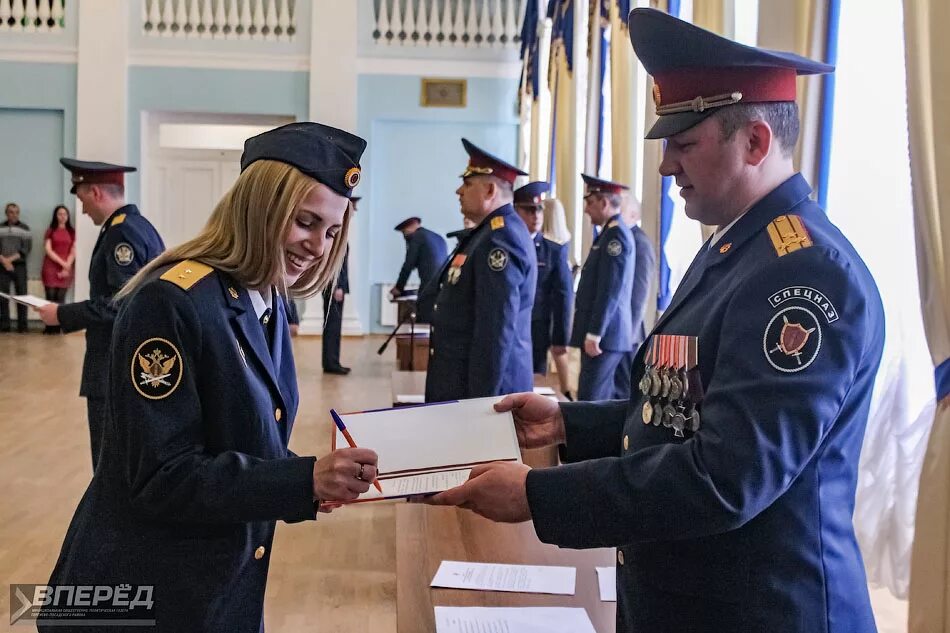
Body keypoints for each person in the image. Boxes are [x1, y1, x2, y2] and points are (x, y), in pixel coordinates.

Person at [427, 9, 884, 633]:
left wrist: (537, 497)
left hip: (759, 610)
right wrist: (569, 421)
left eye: (684, 143)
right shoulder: (737, 247)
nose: (665, 166)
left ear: (754, 141)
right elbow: (687, 413)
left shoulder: (801, 276)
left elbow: (726, 476)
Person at [40, 122, 378, 632]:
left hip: (214, 585)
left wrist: (308, 480)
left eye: (331, 232)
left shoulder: (265, 301)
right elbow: (161, 477)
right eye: (306, 222)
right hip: (142, 597)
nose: (318, 246)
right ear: (260, 207)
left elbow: (237, 437)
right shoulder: (173, 301)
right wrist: (301, 477)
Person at [36, 160, 164, 469]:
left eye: (81, 200)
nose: (81, 210)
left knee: (110, 465)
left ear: (95, 193)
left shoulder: (121, 234)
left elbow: (123, 302)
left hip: (114, 365)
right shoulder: (138, 226)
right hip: (127, 362)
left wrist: (62, 315)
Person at [425, 139, 536, 402]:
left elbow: (495, 329)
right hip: (460, 380)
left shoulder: (501, 239)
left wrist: (482, 402)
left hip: (477, 388)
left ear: (489, 191)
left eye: (467, 184)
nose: (458, 191)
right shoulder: (487, 233)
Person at [570, 174, 635, 401]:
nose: (587, 210)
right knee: (602, 397)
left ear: (605, 203)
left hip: (605, 336)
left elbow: (610, 289)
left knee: (591, 398)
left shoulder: (615, 235)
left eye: (590, 203)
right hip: (606, 335)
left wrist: (595, 332)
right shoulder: (608, 233)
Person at [513, 182, 574, 399]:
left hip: (535, 329)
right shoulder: (506, 244)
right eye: (528, 210)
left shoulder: (553, 251)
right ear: (515, 211)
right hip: (506, 326)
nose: (536, 215)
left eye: (539, 210)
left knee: (532, 384)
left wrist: (560, 338)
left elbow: (563, 296)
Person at [614, 194, 657, 391]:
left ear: (633, 214)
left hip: (627, 332)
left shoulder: (640, 243)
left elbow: (639, 293)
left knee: (624, 389)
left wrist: (628, 333)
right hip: (617, 331)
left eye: (619, 210)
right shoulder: (618, 236)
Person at [390, 216, 448, 323]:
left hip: (428, 287)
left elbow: (408, 265)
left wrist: (399, 287)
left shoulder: (417, 237)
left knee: (423, 318)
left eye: (404, 233)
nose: (404, 236)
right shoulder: (438, 237)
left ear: (408, 229)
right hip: (443, 286)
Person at [321, 197, 356, 375]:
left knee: (334, 325)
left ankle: (332, 361)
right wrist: (337, 287)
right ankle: (331, 363)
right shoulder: (335, 235)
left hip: (335, 287)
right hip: (333, 288)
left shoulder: (339, 233)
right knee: (332, 326)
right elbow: (335, 266)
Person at [40, 204, 77, 334]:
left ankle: (57, 327)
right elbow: (48, 250)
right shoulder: (50, 230)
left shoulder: (72, 232)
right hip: (50, 267)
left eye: (64, 214)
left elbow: (73, 250)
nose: (62, 217)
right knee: (50, 297)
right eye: (59, 214)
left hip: (66, 266)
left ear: (68, 216)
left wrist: (67, 265)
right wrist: (63, 263)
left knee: (60, 299)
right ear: (55, 216)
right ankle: (48, 327)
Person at [0, 202, 32, 332]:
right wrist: (4, 261)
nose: (14, 214)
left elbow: (27, 248)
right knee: (3, 297)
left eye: (16, 212)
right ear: (6, 213)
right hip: (2, 266)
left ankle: (23, 327)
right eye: (11, 212)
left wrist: (10, 260)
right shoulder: (0, 227)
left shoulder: (25, 228)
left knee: (22, 297)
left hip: (19, 266)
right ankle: (5, 326)